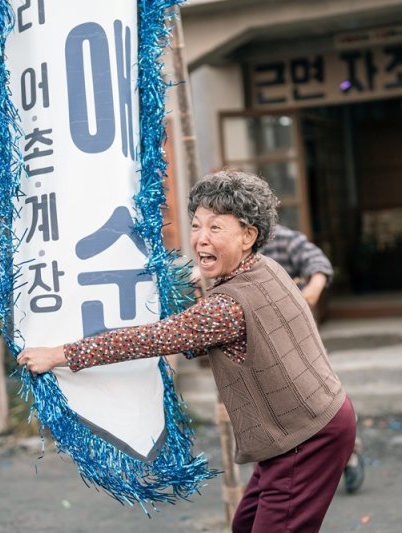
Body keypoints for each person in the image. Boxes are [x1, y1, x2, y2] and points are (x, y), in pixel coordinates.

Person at [19, 170, 357, 532]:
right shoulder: (265, 267)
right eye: (196, 226)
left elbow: (153, 339)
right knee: (245, 525)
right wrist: (205, 275)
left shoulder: (228, 306)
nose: (200, 239)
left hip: (305, 438)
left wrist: (61, 355)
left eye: (216, 228)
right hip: (310, 421)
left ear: (248, 236)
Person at [261, 225, 364, 494]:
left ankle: (350, 456)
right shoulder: (223, 244)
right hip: (260, 350)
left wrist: (313, 289)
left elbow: (317, 261)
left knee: (324, 402)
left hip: (298, 340)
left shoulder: (281, 238)